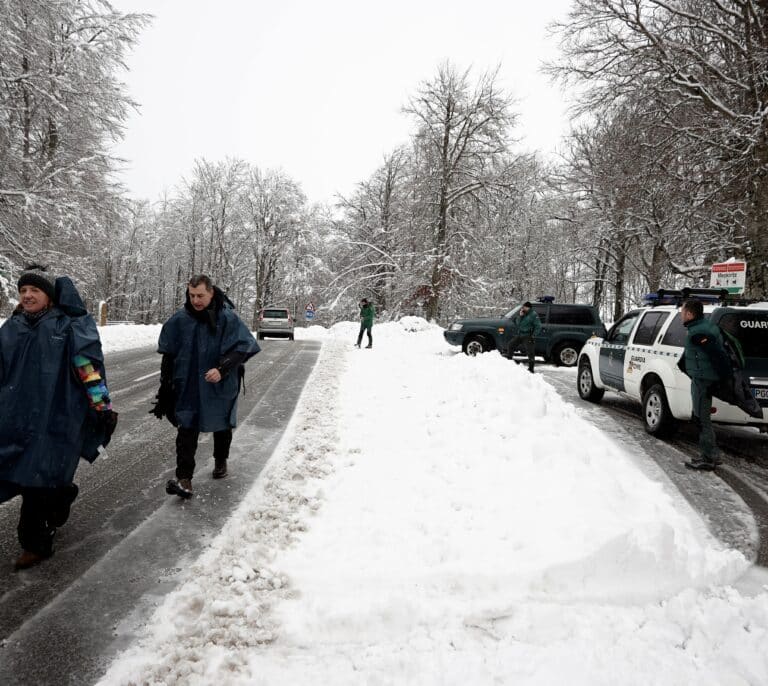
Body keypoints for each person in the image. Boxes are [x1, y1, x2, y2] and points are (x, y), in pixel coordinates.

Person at [0, 265, 117, 570]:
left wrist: (101, 406)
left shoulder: (66, 327)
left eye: (34, 290)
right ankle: (62, 494)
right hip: (15, 415)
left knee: (37, 479)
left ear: (49, 297)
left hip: (56, 416)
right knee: (20, 472)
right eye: (23, 290)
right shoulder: (11, 328)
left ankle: (35, 544)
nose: (27, 296)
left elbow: (87, 367)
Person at [150, 275, 260, 498]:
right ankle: (184, 479)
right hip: (188, 384)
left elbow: (244, 346)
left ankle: (221, 461)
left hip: (219, 382)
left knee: (221, 424)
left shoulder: (226, 318)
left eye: (200, 295)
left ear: (211, 293)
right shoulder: (180, 320)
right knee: (187, 427)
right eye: (192, 295)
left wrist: (222, 368)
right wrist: (166, 385)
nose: (196, 300)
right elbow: (168, 355)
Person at [678, 298, 731, 470]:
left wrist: (721, 379)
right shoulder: (701, 327)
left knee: (702, 420)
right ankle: (709, 455)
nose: (681, 314)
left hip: (704, 381)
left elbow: (718, 356)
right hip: (702, 379)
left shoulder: (699, 332)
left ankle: (709, 458)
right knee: (701, 418)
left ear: (690, 314)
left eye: (682, 311)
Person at [506, 301, 542, 373]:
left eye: (524, 307)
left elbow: (538, 326)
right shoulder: (523, 314)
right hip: (520, 335)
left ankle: (531, 368)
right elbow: (518, 324)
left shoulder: (533, 315)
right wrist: (520, 316)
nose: (523, 308)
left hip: (528, 335)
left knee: (530, 352)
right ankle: (508, 362)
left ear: (528, 307)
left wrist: (533, 335)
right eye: (523, 307)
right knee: (510, 345)